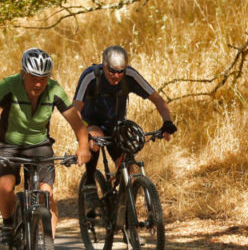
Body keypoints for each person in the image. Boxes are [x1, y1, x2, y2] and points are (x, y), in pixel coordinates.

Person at [0, 48, 92, 250]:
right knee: (5, 186)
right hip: (8, 146)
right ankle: (9, 224)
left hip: (40, 146)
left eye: (43, 78)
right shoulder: (8, 86)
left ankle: (49, 248)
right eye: (33, 78)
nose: (38, 84)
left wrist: (83, 147)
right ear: (23, 74)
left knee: (46, 194)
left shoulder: (54, 89)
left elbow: (77, 123)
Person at [72, 45, 176, 189]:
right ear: (104, 65)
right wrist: (84, 135)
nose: (116, 76)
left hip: (116, 124)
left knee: (130, 172)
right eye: (112, 71)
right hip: (90, 122)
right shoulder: (90, 76)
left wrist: (167, 122)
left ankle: (124, 201)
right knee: (95, 140)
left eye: (120, 71)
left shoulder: (130, 76)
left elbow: (157, 99)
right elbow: (75, 110)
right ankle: (89, 183)